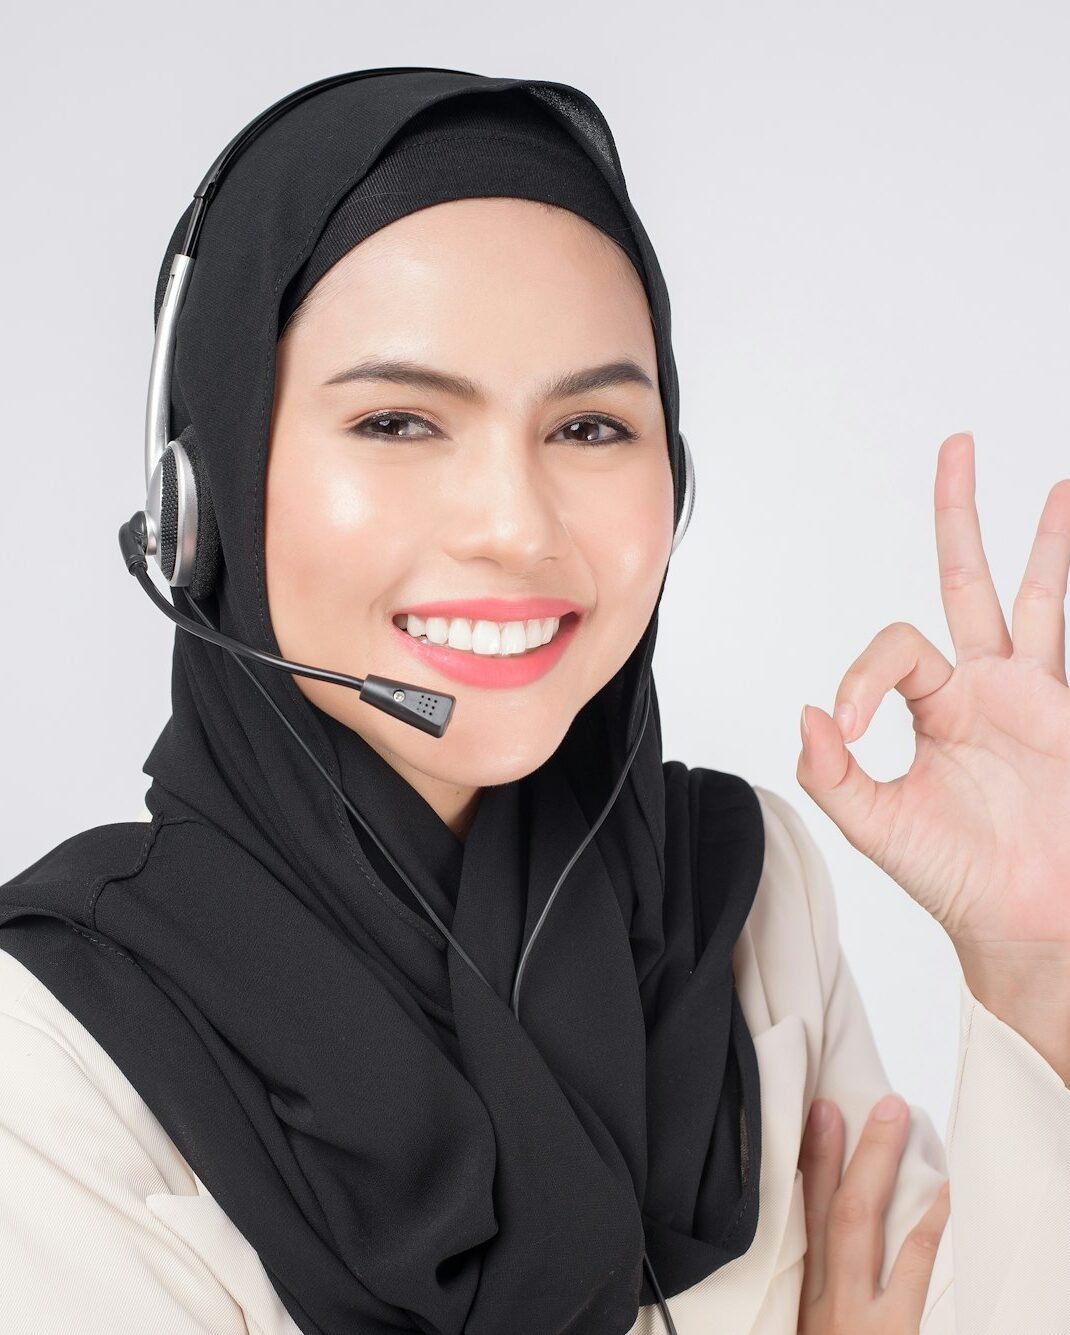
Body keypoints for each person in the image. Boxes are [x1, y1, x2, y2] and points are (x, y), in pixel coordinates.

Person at [1, 67, 1068, 1335]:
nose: (513, 528)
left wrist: (1035, 969)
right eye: (399, 421)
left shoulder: (739, 895)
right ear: (203, 494)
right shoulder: (50, 1060)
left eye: (589, 429)